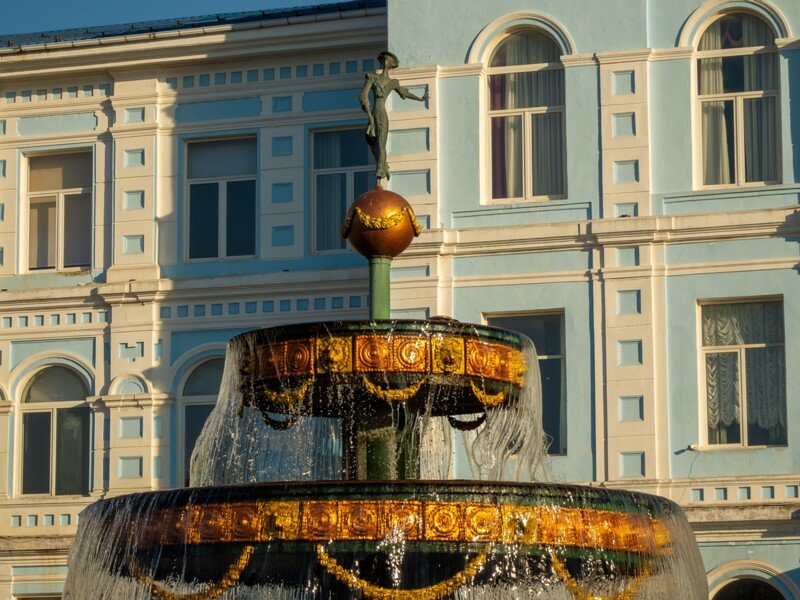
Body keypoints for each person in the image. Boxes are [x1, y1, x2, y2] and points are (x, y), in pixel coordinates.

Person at [359, 51, 428, 182]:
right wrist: (370, 116)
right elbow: (363, 96)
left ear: (391, 64)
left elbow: (404, 93)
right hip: (374, 113)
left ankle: (380, 173)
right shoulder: (372, 78)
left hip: (382, 115)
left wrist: (420, 99)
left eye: (388, 59)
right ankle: (382, 166)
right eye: (384, 59)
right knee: (373, 144)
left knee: (381, 144)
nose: (386, 61)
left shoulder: (393, 83)